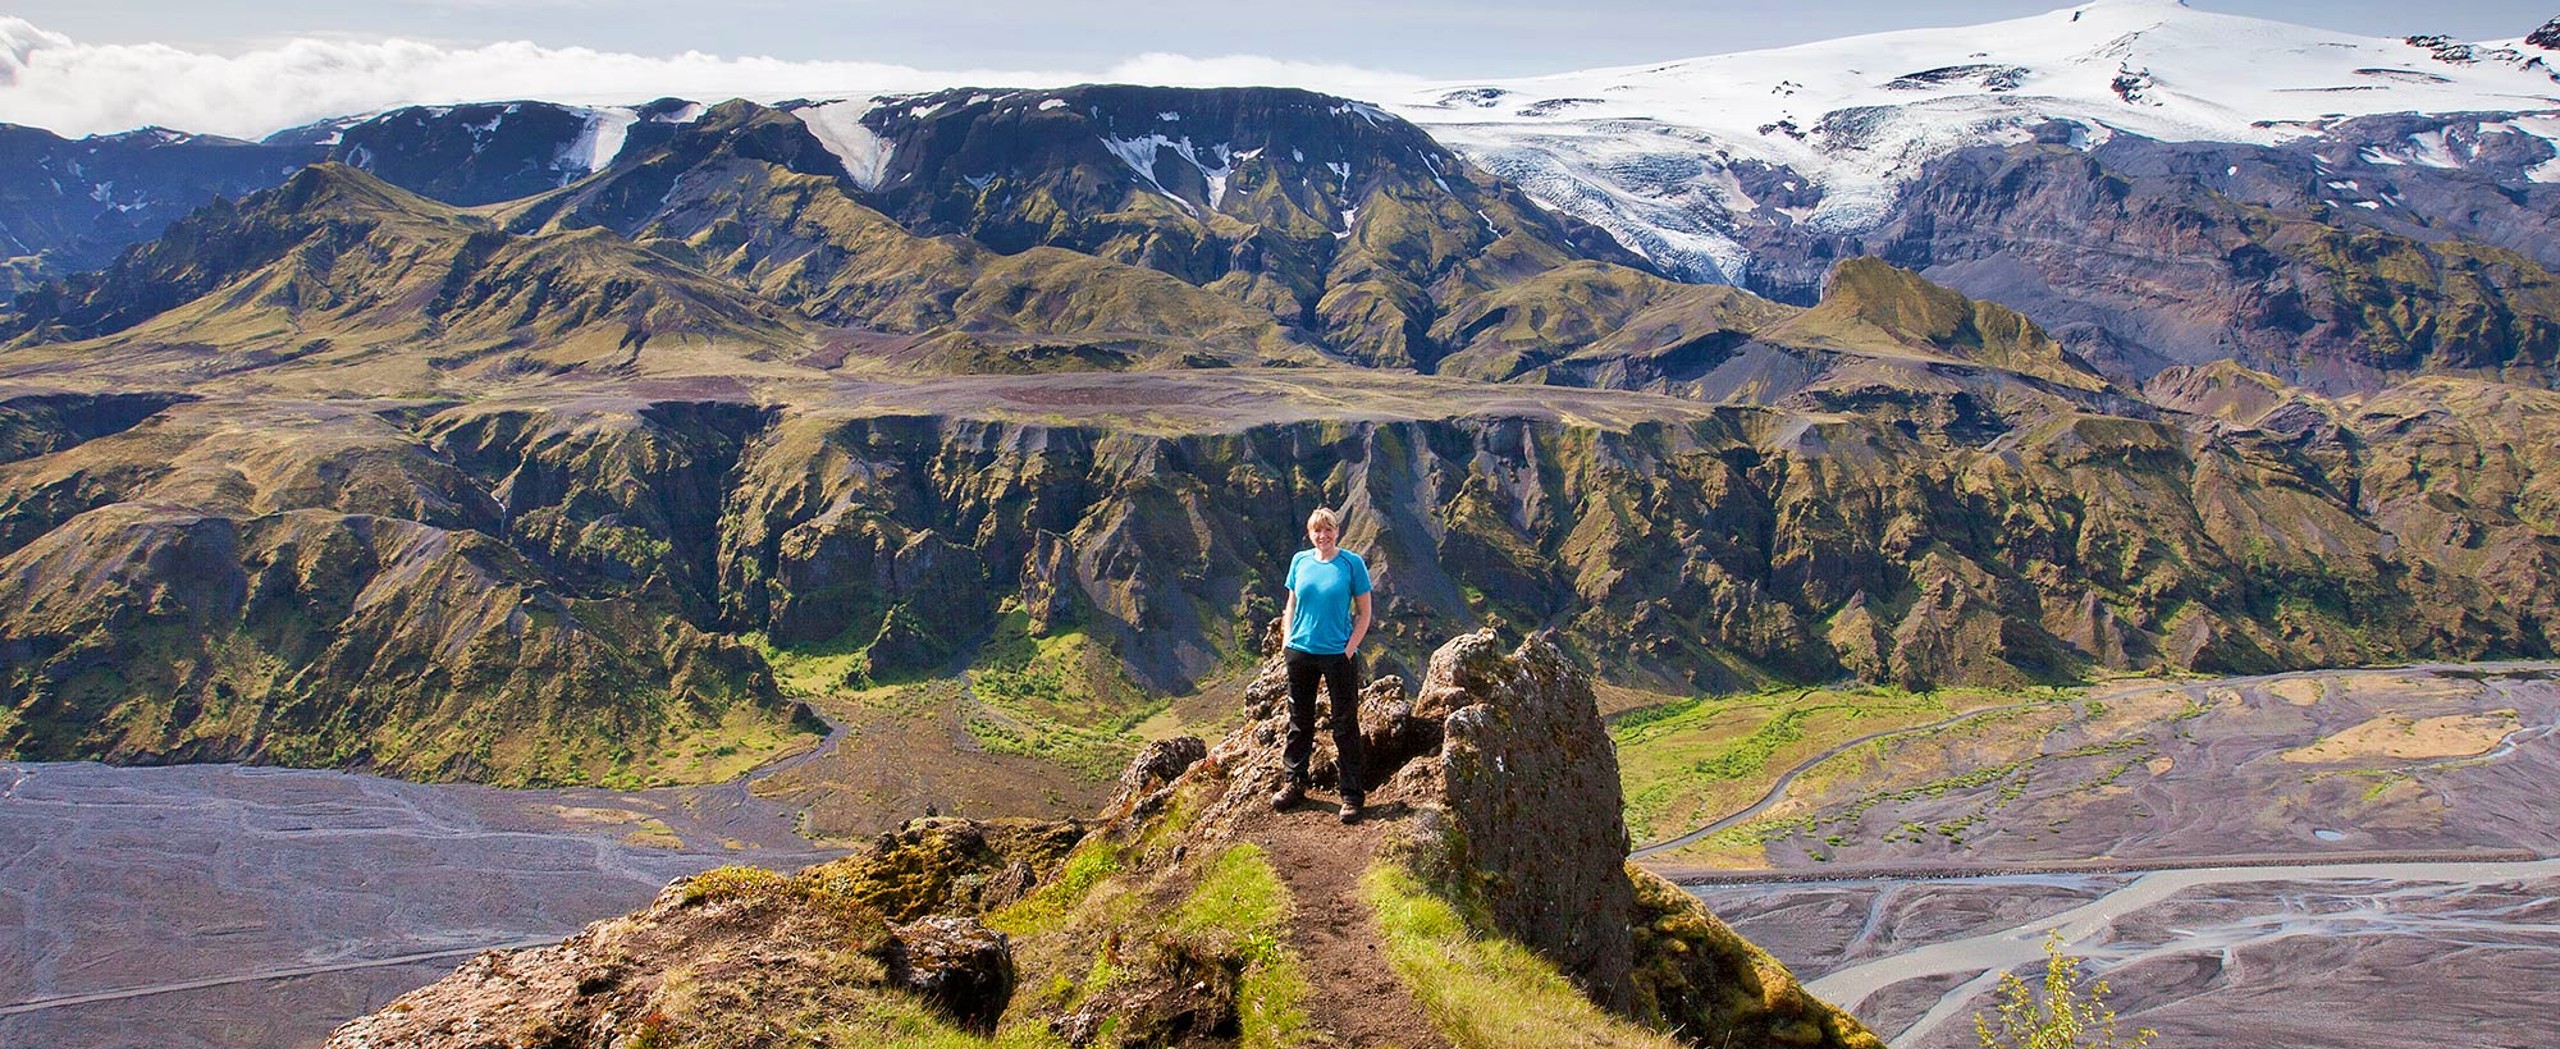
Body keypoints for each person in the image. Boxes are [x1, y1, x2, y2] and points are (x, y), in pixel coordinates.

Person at [1273, 506, 1374, 823]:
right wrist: (1287, 639)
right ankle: (1294, 783)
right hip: (1301, 652)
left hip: (1337, 655)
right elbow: (1290, 603)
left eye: (1328, 529)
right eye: (1317, 530)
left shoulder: (1352, 564)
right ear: (1310, 533)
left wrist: (1348, 650)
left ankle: (1351, 796)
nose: (1323, 535)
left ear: (1337, 531)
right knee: (1299, 721)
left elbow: (1364, 613)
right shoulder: (1299, 561)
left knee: (1345, 725)